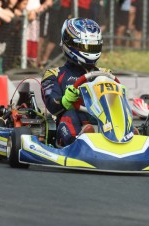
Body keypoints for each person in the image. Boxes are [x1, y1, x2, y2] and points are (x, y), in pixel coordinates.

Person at [41, 17, 109, 147]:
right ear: (70, 44)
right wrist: (65, 100)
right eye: (86, 46)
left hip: (103, 122)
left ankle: (127, 137)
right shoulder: (54, 74)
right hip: (70, 124)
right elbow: (52, 105)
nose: (90, 51)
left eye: (94, 47)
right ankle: (80, 140)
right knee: (70, 113)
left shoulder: (106, 74)